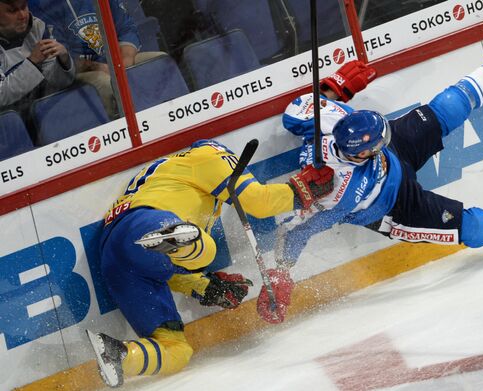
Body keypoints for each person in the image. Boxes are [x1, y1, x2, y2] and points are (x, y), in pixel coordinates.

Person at [255, 30, 483, 324]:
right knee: (473, 229)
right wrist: (281, 273)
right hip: (397, 207)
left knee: (450, 104)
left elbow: (300, 108)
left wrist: (334, 89)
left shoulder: (328, 121)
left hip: (396, 152)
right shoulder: (333, 195)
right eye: (376, 145)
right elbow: (295, 232)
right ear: (360, 154)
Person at [86, 138, 334, 387]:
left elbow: (162, 266)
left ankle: (118, 354)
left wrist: (205, 286)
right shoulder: (209, 155)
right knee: (207, 250)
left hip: (118, 260)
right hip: (145, 221)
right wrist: (301, 193)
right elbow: (259, 202)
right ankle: (174, 235)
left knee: (177, 350)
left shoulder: (168, 175)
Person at [29, 0, 163, 118]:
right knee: (105, 83)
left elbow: (126, 28)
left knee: (159, 61)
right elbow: (61, 58)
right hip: (79, 73)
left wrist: (125, 63)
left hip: (115, 60)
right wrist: (98, 67)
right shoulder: (43, 5)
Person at [0, 0, 74, 130]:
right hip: (9, 127)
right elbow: (1, 96)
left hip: (46, 112)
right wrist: (32, 62)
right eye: (12, 11)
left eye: (24, 7)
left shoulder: (39, 26)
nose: (23, 15)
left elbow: (59, 83)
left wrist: (64, 61)